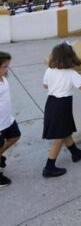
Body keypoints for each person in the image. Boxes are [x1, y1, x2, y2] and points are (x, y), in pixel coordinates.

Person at [42, 42, 81, 178]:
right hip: (62, 105)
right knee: (59, 137)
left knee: (65, 131)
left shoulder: (49, 70)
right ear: (70, 57)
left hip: (51, 103)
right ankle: (49, 167)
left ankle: (75, 153)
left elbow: (45, 85)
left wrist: (56, 86)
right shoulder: (72, 74)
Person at [0, 52, 21, 186]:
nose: (7, 69)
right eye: (5, 66)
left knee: (15, 136)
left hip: (7, 119)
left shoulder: (3, 77)